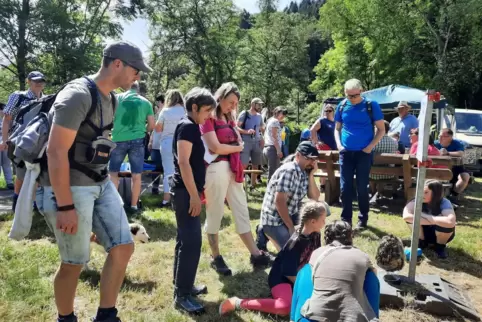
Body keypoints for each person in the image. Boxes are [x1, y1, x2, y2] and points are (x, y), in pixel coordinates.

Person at [36, 41, 150, 322]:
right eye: (136, 71)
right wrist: (65, 206)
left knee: (124, 246)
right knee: (74, 262)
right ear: (118, 64)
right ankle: (66, 318)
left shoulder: (111, 98)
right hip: (69, 188)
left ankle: (106, 315)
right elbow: (56, 151)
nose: (138, 77)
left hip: (99, 182)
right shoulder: (77, 95)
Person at [201, 82, 271, 276]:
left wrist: (235, 146)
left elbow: (235, 141)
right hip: (215, 168)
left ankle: (256, 254)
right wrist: (237, 148)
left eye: (235, 103)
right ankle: (216, 257)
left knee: (241, 209)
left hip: (233, 168)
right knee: (215, 213)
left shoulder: (229, 117)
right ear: (220, 97)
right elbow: (215, 147)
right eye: (230, 102)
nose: (233, 106)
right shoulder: (208, 117)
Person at [218, 201, 328, 317]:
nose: (325, 222)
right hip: (283, 278)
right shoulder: (295, 244)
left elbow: (315, 258)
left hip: (299, 276)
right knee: (285, 307)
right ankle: (238, 302)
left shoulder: (316, 234)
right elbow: (289, 274)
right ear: (313, 222)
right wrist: (307, 286)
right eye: (323, 219)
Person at [170, 87, 216, 314]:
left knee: (184, 240)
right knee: (191, 243)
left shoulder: (190, 126)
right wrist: (194, 196)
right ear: (194, 107)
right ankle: (182, 295)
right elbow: (184, 163)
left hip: (188, 191)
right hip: (185, 193)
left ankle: (183, 286)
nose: (209, 115)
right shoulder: (187, 126)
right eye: (207, 110)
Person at [297, 220, 379, 322]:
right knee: (370, 275)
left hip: (315, 317)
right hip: (352, 318)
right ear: (350, 237)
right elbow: (374, 275)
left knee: (305, 271)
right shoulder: (362, 256)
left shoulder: (317, 253)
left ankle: (294, 317)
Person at [334, 78, 385, 230]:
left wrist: (370, 147)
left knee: (362, 187)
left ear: (361, 91)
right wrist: (339, 145)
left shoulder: (371, 105)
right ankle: (346, 219)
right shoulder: (342, 105)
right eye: (349, 96)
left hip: (364, 153)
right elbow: (337, 128)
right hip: (346, 152)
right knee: (345, 187)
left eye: (355, 95)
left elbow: (381, 129)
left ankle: (363, 219)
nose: (352, 99)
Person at [260, 141, 321, 251]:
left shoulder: (304, 171)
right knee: (292, 251)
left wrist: (311, 175)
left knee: (320, 211)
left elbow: (315, 198)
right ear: (298, 156)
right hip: (275, 219)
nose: (312, 162)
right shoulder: (289, 171)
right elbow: (279, 202)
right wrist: (291, 228)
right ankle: (263, 231)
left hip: (291, 214)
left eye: (314, 159)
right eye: (309, 158)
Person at [1, 71, 46, 210]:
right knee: (21, 174)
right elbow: (7, 119)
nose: (38, 83)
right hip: (19, 141)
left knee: (38, 173)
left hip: (39, 143)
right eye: (35, 80)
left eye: (41, 81)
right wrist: (4, 140)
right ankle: (17, 204)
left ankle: (34, 205)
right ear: (28, 82)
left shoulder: (46, 99)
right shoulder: (18, 97)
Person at [109, 80, 155, 214]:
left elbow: (108, 118)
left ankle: (115, 205)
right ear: (138, 89)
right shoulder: (146, 102)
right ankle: (134, 206)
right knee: (136, 175)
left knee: (113, 173)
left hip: (118, 139)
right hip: (137, 140)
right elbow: (152, 125)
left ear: (126, 87)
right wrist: (143, 131)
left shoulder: (116, 99)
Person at [402, 179, 456, 258]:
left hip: (441, 234)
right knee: (412, 220)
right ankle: (421, 243)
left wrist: (425, 216)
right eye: (421, 191)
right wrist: (436, 220)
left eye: (426, 192)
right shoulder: (416, 200)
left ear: (435, 194)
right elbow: (406, 216)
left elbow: (450, 221)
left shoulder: (444, 202)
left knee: (445, 224)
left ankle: (439, 247)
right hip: (423, 232)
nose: (422, 194)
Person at [154, 89, 185, 207]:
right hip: (182, 142)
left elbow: (158, 129)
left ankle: (166, 199)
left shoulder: (165, 111)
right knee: (183, 170)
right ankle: (182, 198)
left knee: (168, 171)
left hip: (167, 143)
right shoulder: (185, 111)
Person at [435, 128, 471, 205]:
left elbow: (460, 153)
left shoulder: (456, 143)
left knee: (465, 177)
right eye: (439, 136)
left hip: (456, 168)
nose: (440, 138)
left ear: (450, 137)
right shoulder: (435, 144)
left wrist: (447, 153)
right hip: (438, 168)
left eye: (443, 136)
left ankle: (453, 195)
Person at [237, 97, 265, 188]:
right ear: (253, 104)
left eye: (261, 105)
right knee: (243, 165)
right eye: (258, 104)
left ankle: (252, 186)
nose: (260, 106)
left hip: (256, 142)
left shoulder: (259, 116)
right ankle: (239, 186)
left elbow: (261, 128)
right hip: (245, 142)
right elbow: (236, 127)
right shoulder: (244, 114)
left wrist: (262, 138)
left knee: (256, 165)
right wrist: (246, 131)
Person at [369, 121, 399, 203]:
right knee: (386, 168)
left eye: (375, 127)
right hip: (389, 174)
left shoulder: (371, 141)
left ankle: (374, 192)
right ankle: (378, 192)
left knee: (372, 168)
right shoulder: (394, 142)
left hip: (372, 173)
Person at [263, 106, 288, 181]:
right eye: (282, 113)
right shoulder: (275, 121)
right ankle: (270, 191)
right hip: (273, 148)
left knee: (272, 171)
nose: (284, 116)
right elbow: (274, 137)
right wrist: (278, 150)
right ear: (277, 112)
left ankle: (271, 190)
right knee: (273, 173)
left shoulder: (270, 120)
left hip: (267, 147)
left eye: (285, 114)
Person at [149, 93, 165, 194]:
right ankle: (155, 188)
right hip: (155, 144)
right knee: (155, 167)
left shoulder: (166, 113)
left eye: (158, 102)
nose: (157, 104)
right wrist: (151, 141)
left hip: (163, 144)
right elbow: (154, 130)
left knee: (164, 168)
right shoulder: (157, 113)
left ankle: (167, 190)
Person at [0, 102, 14, 190]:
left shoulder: (7, 120)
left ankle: (9, 182)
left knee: (7, 162)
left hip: (6, 141)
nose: (2, 112)